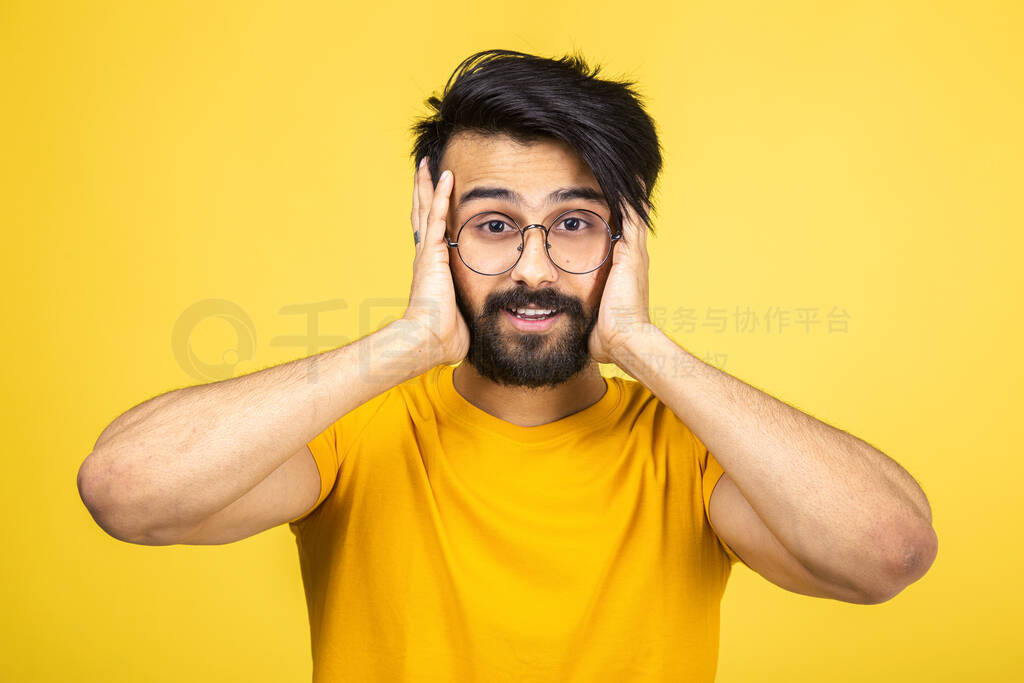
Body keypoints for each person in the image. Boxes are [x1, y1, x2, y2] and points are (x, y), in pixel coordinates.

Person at [77, 49, 938, 682]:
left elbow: (887, 552)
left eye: (574, 223)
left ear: (627, 239)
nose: (533, 267)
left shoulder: (693, 450)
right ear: (434, 237)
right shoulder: (352, 431)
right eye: (493, 224)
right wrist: (407, 342)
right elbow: (125, 489)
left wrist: (642, 344)